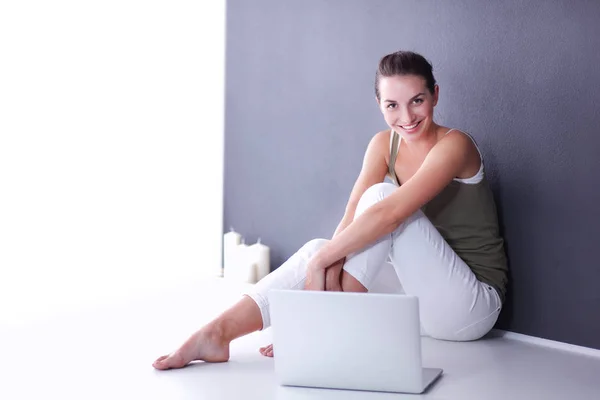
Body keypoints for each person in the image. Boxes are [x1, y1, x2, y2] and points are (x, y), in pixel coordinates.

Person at [152, 50, 508, 369]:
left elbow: (391, 213)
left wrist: (322, 268)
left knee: (380, 201)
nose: (407, 116)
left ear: (435, 95)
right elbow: (352, 214)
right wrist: (322, 258)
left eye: (417, 100)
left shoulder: (455, 145)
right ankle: (216, 333)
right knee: (318, 247)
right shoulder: (385, 144)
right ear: (379, 104)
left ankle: (316, 329)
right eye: (392, 105)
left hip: (471, 306)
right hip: (420, 303)